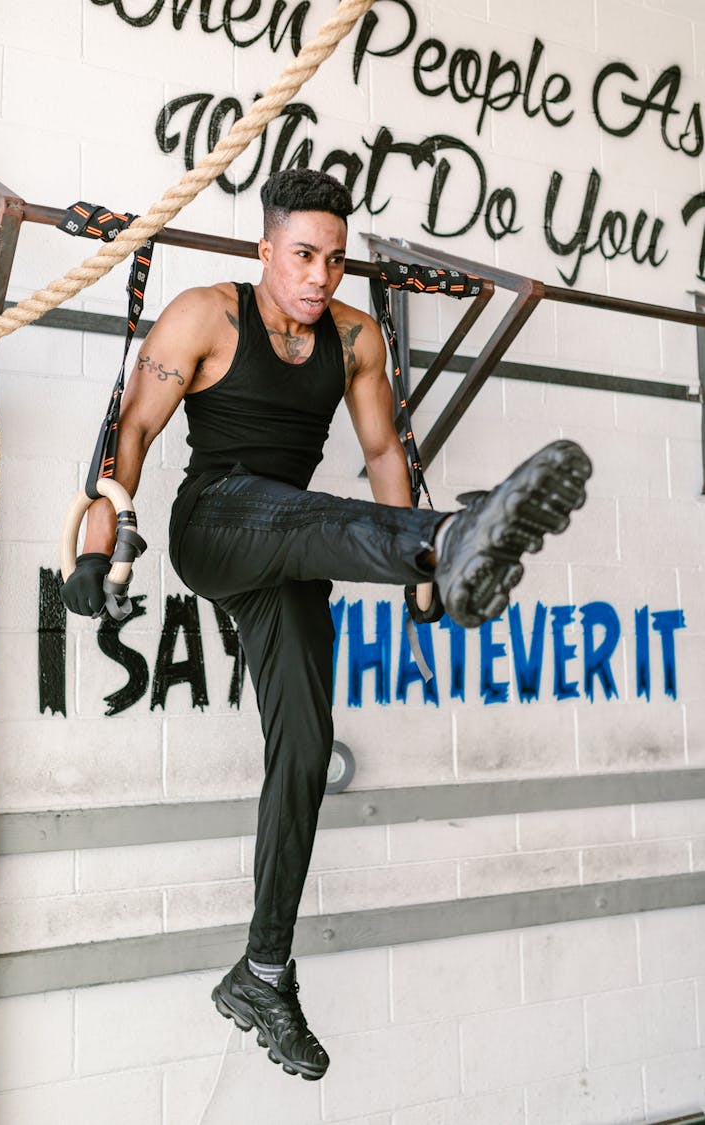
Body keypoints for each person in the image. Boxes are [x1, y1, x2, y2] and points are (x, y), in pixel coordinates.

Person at [61, 168, 592, 1081]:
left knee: (304, 749)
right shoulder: (204, 316)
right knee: (302, 512)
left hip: (292, 549)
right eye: (303, 255)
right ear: (266, 249)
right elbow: (133, 437)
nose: (321, 276)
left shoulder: (353, 336)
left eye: (335, 259)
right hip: (218, 523)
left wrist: (421, 587)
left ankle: (263, 968)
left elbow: (384, 450)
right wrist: (94, 552)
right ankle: (457, 535)